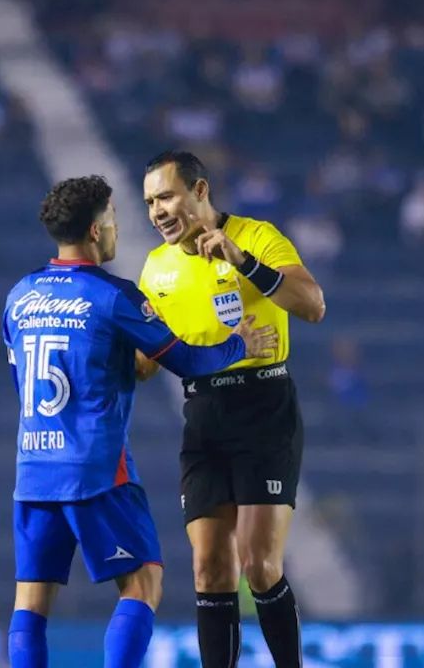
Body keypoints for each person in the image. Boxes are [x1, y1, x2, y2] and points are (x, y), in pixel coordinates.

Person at [2, 175, 277, 668]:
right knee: (143, 583)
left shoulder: (19, 297)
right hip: (97, 466)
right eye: (112, 218)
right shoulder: (114, 296)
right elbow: (187, 363)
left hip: (34, 467)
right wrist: (240, 344)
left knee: (31, 602)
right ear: (93, 229)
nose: (117, 228)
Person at [136, 151, 326, 668]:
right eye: (150, 201)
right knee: (209, 569)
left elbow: (312, 305)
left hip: (264, 404)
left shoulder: (258, 236)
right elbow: (144, 363)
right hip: (202, 414)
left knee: (259, 565)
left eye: (166, 196)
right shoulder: (156, 267)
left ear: (199, 192)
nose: (156, 210)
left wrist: (243, 261)